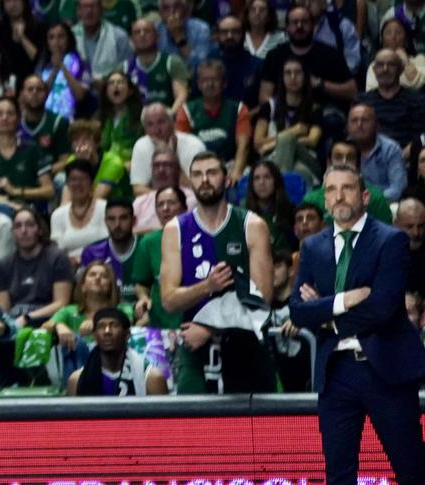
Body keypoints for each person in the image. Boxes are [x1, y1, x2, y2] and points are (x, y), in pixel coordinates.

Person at [289, 162, 425, 485]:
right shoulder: (312, 247)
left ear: (364, 195)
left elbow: (383, 306)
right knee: (338, 476)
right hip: (336, 373)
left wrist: (326, 316)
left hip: (385, 369)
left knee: (413, 470)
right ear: (324, 200)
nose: (339, 196)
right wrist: (343, 301)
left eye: (347, 188)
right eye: (332, 190)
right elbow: (297, 312)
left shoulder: (390, 240)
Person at [158, 150, 274, 393]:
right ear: (190, 181)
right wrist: (207, 287)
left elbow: (262, 299)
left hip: (244, 344)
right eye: (198, 175)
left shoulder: (252, 225)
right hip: (194, 347)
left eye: (212, 173)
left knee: (250, 427)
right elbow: (168, 300)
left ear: (227, 178)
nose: (205, 180)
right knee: (195, 428)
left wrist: (210, 327)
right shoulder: (175, 229)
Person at [65, 307, 168, 396]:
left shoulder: (152, 378)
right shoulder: (77, 380)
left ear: (127, 334)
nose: (107, 331)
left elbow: (165, 419)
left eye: (114, 325)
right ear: (94, 336)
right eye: (101, 326)